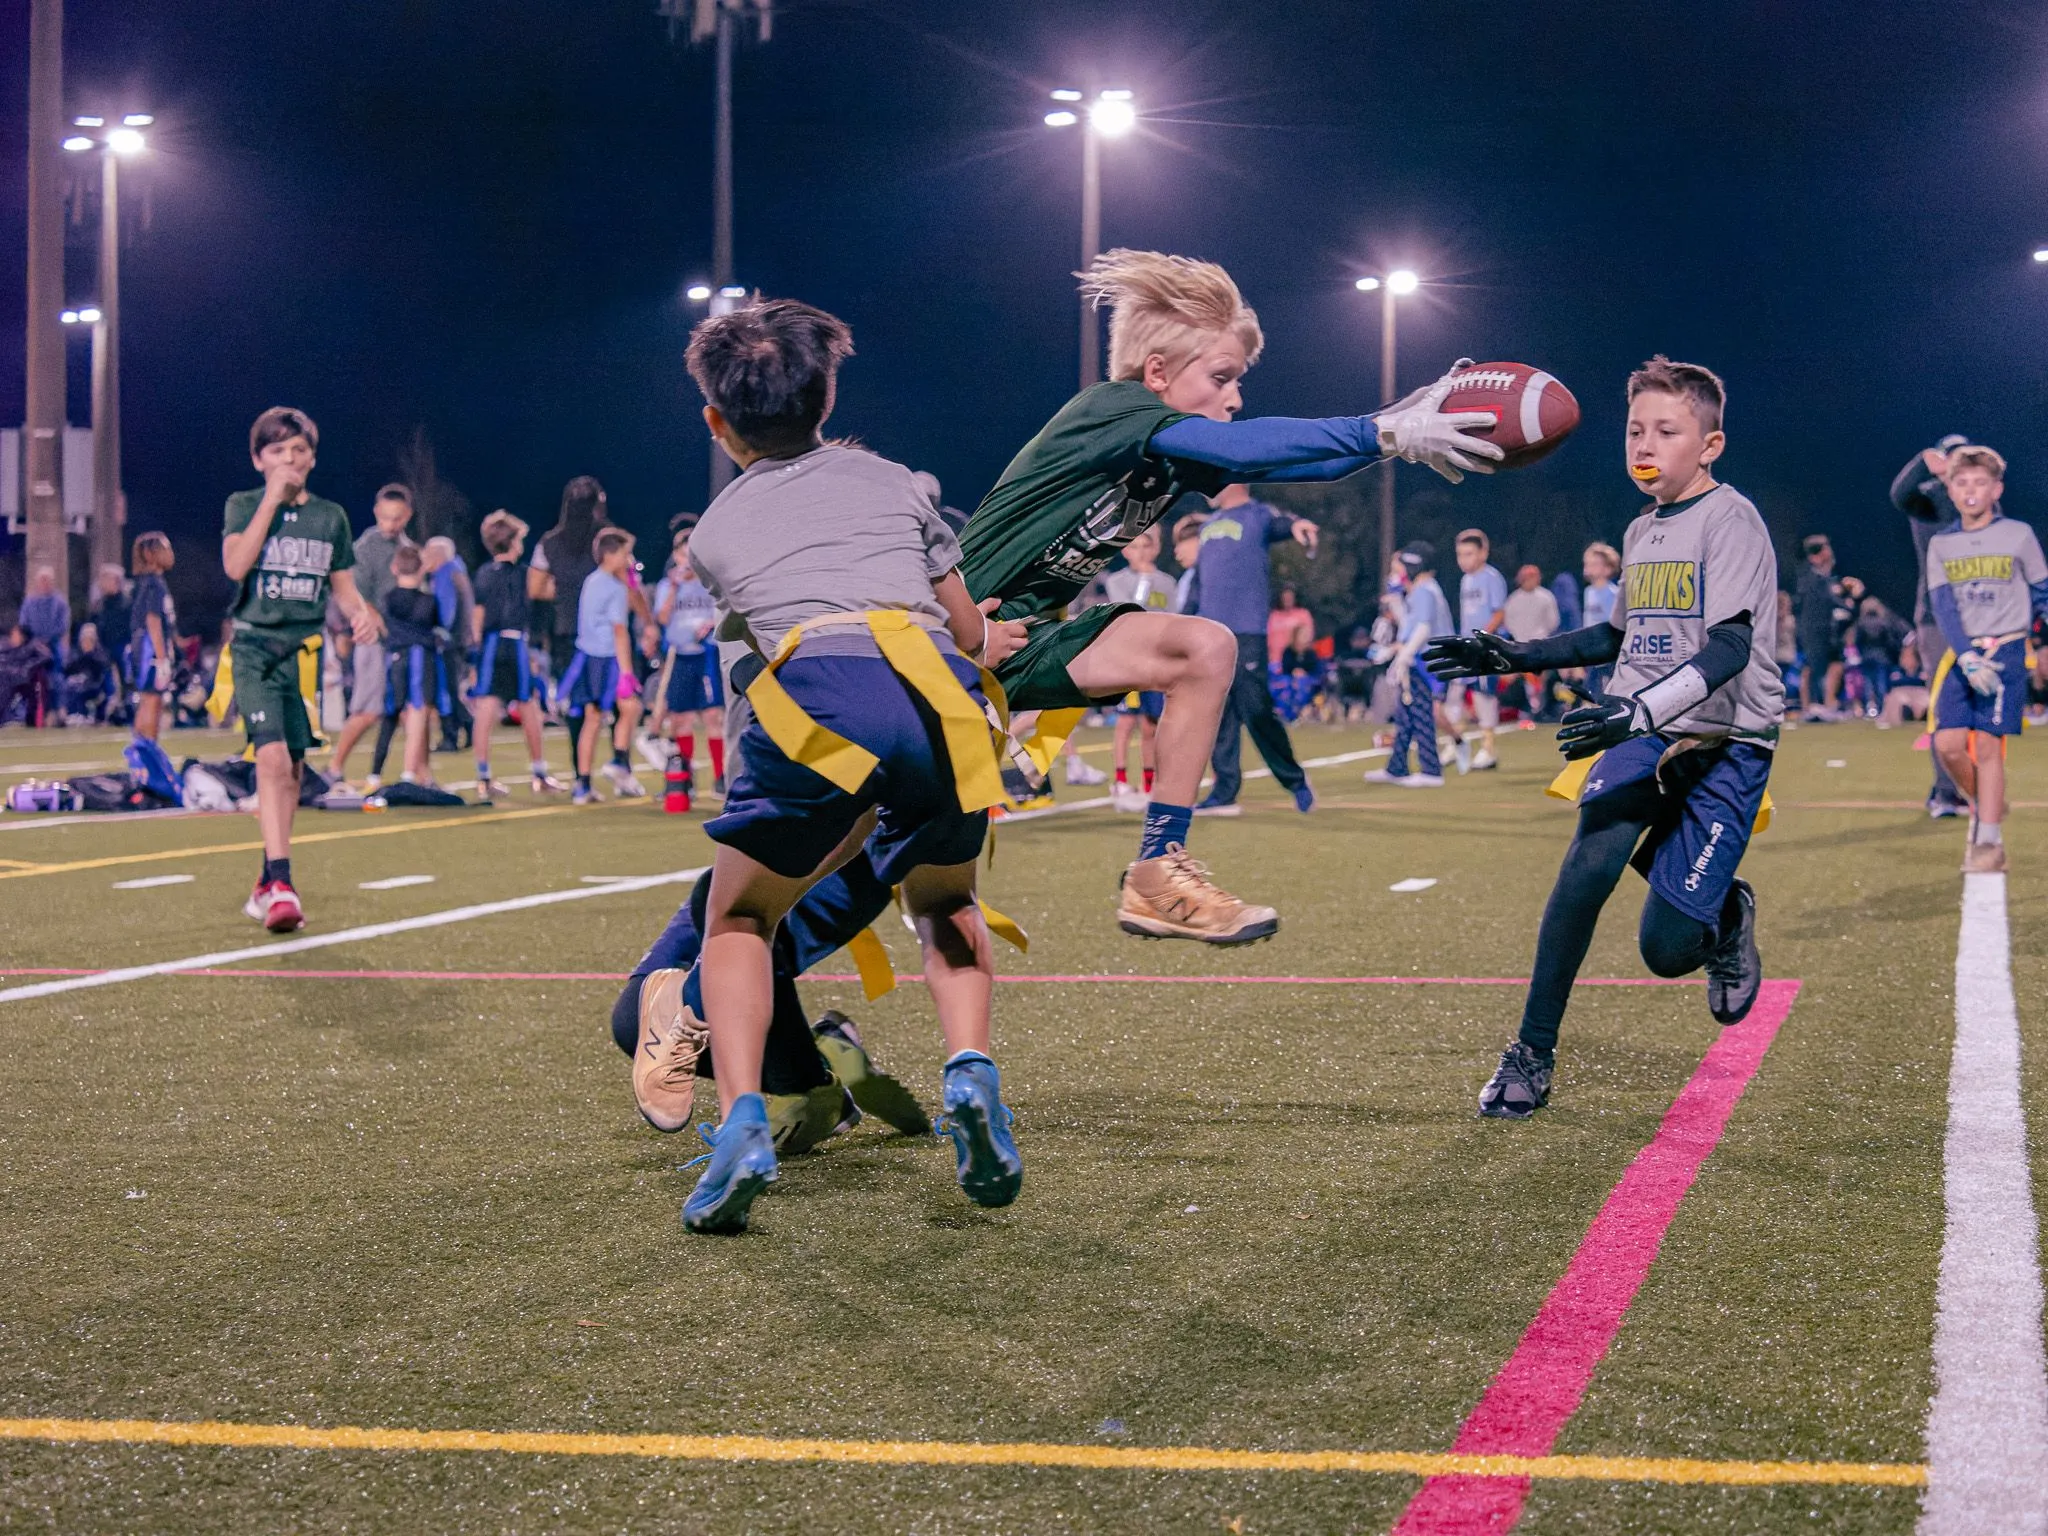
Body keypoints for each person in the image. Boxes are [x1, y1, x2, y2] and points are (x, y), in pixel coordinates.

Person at [957, 251, 1499, 943]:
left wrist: (1396, 428)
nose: (1234, 397)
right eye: (1221, 378)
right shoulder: (1109, 408)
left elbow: (1290, 459)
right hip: (939, 643)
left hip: (1015, 642)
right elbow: (1246, 450)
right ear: (1156, 374)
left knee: (1203, 649)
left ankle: (1156, 871)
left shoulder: (1171, 450)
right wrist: (1382, 429)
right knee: (862, 865)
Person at [676, 297, 1022, 1234]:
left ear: (716, 420)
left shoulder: (712, 531)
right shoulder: (899, 483)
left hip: (821, 699)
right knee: (945, 901)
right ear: (828, 396)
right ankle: (970, 1069)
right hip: (940, 699)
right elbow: (966, 633)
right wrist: (996, 636)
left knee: (739, 918)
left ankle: (743, 1118)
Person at [1425, 357, 1779, 1119]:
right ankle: (1531, 1052)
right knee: (1586, 869)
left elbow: (1729, 650)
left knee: (1666, 950)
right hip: (1642, 726)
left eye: (1666, 430)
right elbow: (1615, 634)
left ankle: (1723, 919)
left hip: (1727, 740)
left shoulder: (1731, 519)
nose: (1644, 442)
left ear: (1710, 444)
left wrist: (1638, 710)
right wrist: (1513, 656)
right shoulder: (1643, 528)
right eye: (1634, 429)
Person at [220, 406, 380, 932]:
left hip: (304, 653)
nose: (289, 458)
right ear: (257, 459)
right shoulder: (243, 503)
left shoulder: (330, 517)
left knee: (290, 767)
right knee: (268, 758)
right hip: (254, 647)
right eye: (277, 450)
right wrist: (271, 499)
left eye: (298, 450)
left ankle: (268, 881)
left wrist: (362, 615)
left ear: (312, 457)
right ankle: (282, 881)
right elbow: (236, 566)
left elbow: (344, 588)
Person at [1925, 446, 2048, 873]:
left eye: (1980, 482)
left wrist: (2044, 644)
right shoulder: (1941, 543)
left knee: (1991, 747)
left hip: (2008, 649)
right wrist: (1966, 656)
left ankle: (1990, 842)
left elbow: (2042, 593)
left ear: (1996, 489)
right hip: (1964, 653)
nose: (1971, 490)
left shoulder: (2018, 534)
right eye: (1962, 483)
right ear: (1951, 490)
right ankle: (1987, 801)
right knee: (1947, 744)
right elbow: (1943, 606)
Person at [1181, 481, 1317, 816]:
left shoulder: (1257, 514)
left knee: (1256, 710)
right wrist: (1183, 622)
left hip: (1246, 634)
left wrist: (1298, 525)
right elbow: (1199, 584)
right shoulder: (1208, 526)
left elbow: (1284, 522)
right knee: (1217, 715)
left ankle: (1295, 780)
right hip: (1210, 636)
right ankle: (1224, 791)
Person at [1894, 437, 1975, 816]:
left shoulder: (1978, 497)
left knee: (1973, 708)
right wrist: (1924, 463)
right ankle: (1947, 792)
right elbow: (1901, 493)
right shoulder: (1927, 498)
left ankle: (1951, 786)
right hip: (1937, 616)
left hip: (1977, 614)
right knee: (1946, 705)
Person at [468, 511, 564, 800]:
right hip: (509, 642)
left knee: (502, 708)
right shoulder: (522, 574)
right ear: (512, 542)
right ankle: (535, 773)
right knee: (520, 707)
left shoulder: (485, 573)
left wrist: (476, 654)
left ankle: (488, 777)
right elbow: (548, 593)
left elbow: (477, 617)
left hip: (495, 645)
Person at [324, 485, 415, 786]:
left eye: (397, 518)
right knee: (367, 710)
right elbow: (357, 598)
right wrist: (384, 628)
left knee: (413, 710)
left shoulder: (408, 548)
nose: (390, 524)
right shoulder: (364, 548)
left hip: (402, 641)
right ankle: (334, 767)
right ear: (376, 512)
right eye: (386, 517)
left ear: (408, 516)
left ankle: (417, 775)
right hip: (374, 642)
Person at [560, 528, 647, 804]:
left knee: (593, 719)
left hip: (587, 656)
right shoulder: (614, 586)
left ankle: (583, 786)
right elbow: (619, 630)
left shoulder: (592, 580)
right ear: (609, 554)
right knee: (631, 707)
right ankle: (620, 761)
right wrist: (626, 672)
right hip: (608, 658)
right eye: (625, 554)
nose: (629, 559)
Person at [1099, 525, 1176, 812]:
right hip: (1128, 661)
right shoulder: (1118, 580)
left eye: (1146, 547)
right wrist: (1144, 579)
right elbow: (1131, 610)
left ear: (1155, 548)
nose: (1140, 553)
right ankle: (1120, 780)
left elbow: (1174, 616)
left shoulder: (1167, 581)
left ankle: (1148, 786)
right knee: (1125, 722)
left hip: (1156, 663)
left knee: (1150, 725)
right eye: (1133, 547)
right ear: (1124, 550)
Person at [1365, 541, 1453, 786]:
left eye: (1400, 566)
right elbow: (1409, 625)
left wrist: (1404, 656)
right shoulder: (1420, 590)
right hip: (1420, 657)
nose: (1398, 572)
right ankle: (1397, 767)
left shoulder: (1425, 590)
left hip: (1426, 660)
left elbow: (1423, 628)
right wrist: (1395, 601)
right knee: (1406, 715)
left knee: (1420, 713)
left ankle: (1431, 771)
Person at [650, 531, 726, 808]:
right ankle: (685, 778)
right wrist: (672, 588)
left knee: (712, 716)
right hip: (680, 656)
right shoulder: (667, 585)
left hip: (706, 655)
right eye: (682, 554)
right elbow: (662, 617)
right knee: (680, 719)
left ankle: (720, 777)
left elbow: (724, 612)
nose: (686, 561)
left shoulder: (710, 583)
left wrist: (711, 624)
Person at [380, 545, 446, 786]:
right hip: (421, 659)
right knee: (419, 713)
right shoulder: (428, 601)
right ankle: (409, 774)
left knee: (398, 714)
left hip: (396, 659)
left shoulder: (387, 598)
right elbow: (438, 626)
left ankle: (414, 773)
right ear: (421, 570)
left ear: (395, 568)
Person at [531, 475, 607, 682]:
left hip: (565, 626)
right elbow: (626, 580)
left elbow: (535, 588)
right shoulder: (608, 538)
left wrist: (565, 590)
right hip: (604, 627)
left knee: (571, 691)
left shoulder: (548, 542)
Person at [1448, 530, 1508, 771]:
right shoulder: (1466, 580)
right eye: (1460, 554)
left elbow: (1499, 612)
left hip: (1484, 647)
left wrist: (1481, 638)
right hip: (1467, 648)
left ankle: (1488, 749)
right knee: (1454, 695)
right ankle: (1455, 742)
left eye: (1469, 553)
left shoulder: (1491, 578)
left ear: (1483, 553)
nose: (1464, 559)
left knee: (1484, 697)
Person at [423, 536, 475, 753]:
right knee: (450, 689)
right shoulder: (456, 571)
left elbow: (447, 611)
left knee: (446, 690)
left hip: (449, 642)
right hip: (459, 641)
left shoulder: (445, 573)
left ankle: (453, 735)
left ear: (437, 555)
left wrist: (438, 634)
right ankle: (464, 728)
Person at [127, 533, 178, 745]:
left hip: (148, 645)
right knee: (151, 699)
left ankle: (145, 751)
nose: (169, 552)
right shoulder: (153, 584)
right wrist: (161, 656)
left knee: (151, 699)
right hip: (150, 646)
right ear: (150, 554)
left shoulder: (151, 582)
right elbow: (153, 620)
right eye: (164, 548)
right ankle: (146, 752)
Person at [1794, 534, 1848, 718]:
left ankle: (1827, 704)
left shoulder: (1824, 577)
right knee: (1812, 668)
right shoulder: (1810, 577)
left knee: (1835, 664)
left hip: (1827, 632)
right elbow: (1824, 602)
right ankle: (1809, 708)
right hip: (1814, 632)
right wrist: (1846, 601)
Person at [1504, 562, 1564, 721]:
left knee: (1541, 679)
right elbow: (1508, 622)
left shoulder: (1546, 597)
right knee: (1527, 680)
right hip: (1521, 645)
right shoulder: (1514, 599)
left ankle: (1541, 708)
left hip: (1540, 644)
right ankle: (1531, 707)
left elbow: (1553, 621)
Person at [18, 566, 69, 719]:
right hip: (33, 648)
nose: (44, 583)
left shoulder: (59, 603)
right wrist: (35, 642)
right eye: (42, 580)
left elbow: (63, 625)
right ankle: (35, 713)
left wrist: (48, 641)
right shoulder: (29, 602)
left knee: (56, 678)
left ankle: (59, 710)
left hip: (53, 647)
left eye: (47, 580)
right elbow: (24, 623)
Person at [1580, 542, 1621, 695]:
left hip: (1606, 651)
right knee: (1592, 690)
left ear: (1608, 568)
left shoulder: (1613, 593)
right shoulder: (1588, 592)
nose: (1589, 567)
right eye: (1588, 564)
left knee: (1607, 688)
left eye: (1595, 564)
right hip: (1592, 650)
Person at [63, 623, 115, 722]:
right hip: (78, 691)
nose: (85, 644)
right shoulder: (76, 657)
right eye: (83, 641)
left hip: (97, 692)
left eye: (89, 641)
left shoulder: (102, 658)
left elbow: (107, 684)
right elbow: (68, 673)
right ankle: (74, 715)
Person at [89, 563, 132, 683]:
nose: (102, 583)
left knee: (125, 678)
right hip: (104, 647)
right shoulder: (100, 604)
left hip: (122, 646)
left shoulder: (127, 603)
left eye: (106, 579)